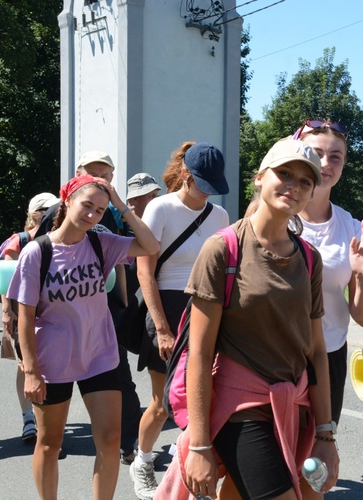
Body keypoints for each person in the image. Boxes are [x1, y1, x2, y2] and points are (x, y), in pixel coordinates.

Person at [156, 137, 340, 500]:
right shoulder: (223, 248)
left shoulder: (308, 259)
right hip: (238, 409)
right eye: (284, 173)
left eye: (306, 181)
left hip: (294, 405)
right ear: (260, 177)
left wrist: (325, 434)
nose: (294, 186)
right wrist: (200, 445)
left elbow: (317, 351)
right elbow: (200, 355)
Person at [7, 176, 160, 500]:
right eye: (87, 205)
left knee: (109, 439)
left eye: (100, 210)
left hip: (99, 355)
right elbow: (25, 315)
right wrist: (31, 372)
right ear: (67, 201)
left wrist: (121, 206)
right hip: (53, 359)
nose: (92, 215)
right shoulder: (37, 252)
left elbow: (150, 246)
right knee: (50, 444)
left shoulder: (100, 243)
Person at [132, 143, 230, 500]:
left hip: (204, 309)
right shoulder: (161, 208)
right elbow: (144, 269)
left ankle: (191, 477)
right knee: (162, 404)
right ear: (186, 174)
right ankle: (142, 461)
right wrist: (160, 327)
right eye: (202, 181)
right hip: (166, 308)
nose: (207, 190)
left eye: (213, 183)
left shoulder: (219, 215)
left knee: (203, 400)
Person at [35, 151, 145, 464]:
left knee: (121, 380)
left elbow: (129, 255)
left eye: (106, 176)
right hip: (58, 325)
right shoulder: (58, 212)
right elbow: (33, 260)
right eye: (94, 174)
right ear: (78, 174)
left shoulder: (107, 212)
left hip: (103, 317)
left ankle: (126, 443)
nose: (100, 182)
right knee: (55, 397)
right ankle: (53, 439)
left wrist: (123, 305)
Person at [292, 118, 363, 426]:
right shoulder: (274, 216)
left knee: (318, 458)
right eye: (316, 153)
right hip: (274, 354)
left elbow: (362, 316)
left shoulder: (351, 228)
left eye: (336, 157)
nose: (325, 163)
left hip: (329, 355)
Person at [0, 192, 60, 442]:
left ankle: (44, 418)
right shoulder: (20, 241)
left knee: (47, 365)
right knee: (25, 365)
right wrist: (7, 311)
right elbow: (6, 279)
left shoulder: (59, 238)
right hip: (20, 313)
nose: (52, 213)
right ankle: (29, 420)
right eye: (46, 209)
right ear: (34, 213)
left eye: (55, 208)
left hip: (49, 313)